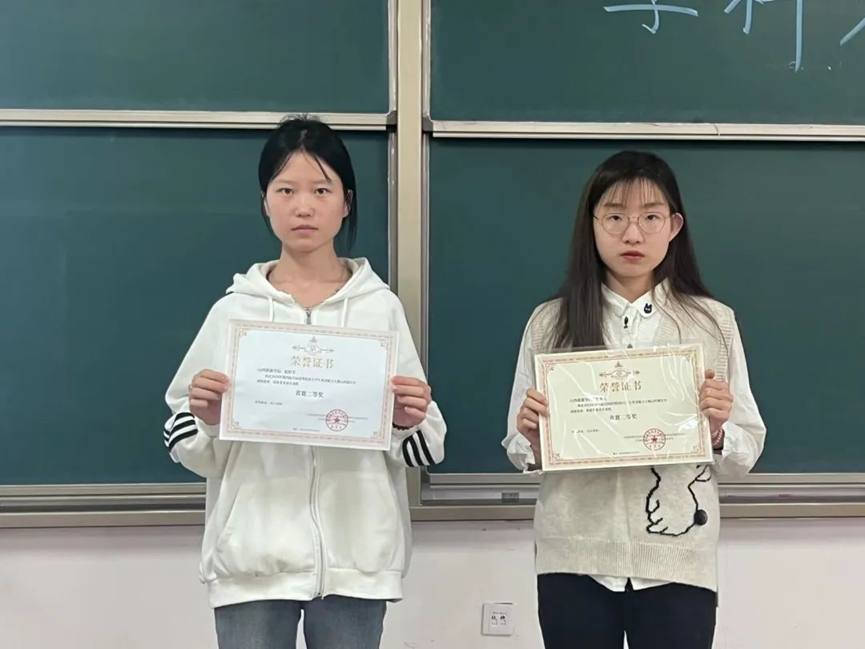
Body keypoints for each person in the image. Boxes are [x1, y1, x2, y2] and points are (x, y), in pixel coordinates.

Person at [163, 116, 447, 649]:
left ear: (346, 202)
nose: (303, 207)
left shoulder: (379, 309)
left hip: (356, 564)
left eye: (321, 190)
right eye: (286, 190)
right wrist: (208, 420)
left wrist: (405, 420)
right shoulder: (235, 312)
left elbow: (427, 444)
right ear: (265, 202)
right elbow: (186, 438)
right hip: (252, 562)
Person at [502, 151, 766, 649]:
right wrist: (534, 439)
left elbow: (746, 449)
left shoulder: (713, 324)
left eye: (650, 217)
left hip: (678, 561)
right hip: (573, 558)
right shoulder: (550, 323)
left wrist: (715, 431)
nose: (632, 234)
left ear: (674, 226)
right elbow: (518, 448)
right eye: (615, 217)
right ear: (591, 224)